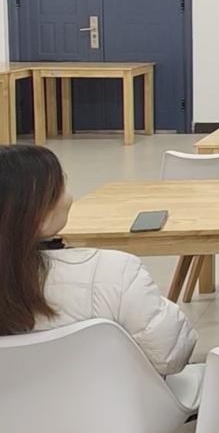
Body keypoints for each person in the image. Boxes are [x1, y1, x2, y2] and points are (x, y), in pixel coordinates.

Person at [0, 145, 196, 375]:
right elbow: (170, 355)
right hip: (112, 398)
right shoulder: (115, 272)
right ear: (40, 215)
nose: (69, 197)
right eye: (61, 186)